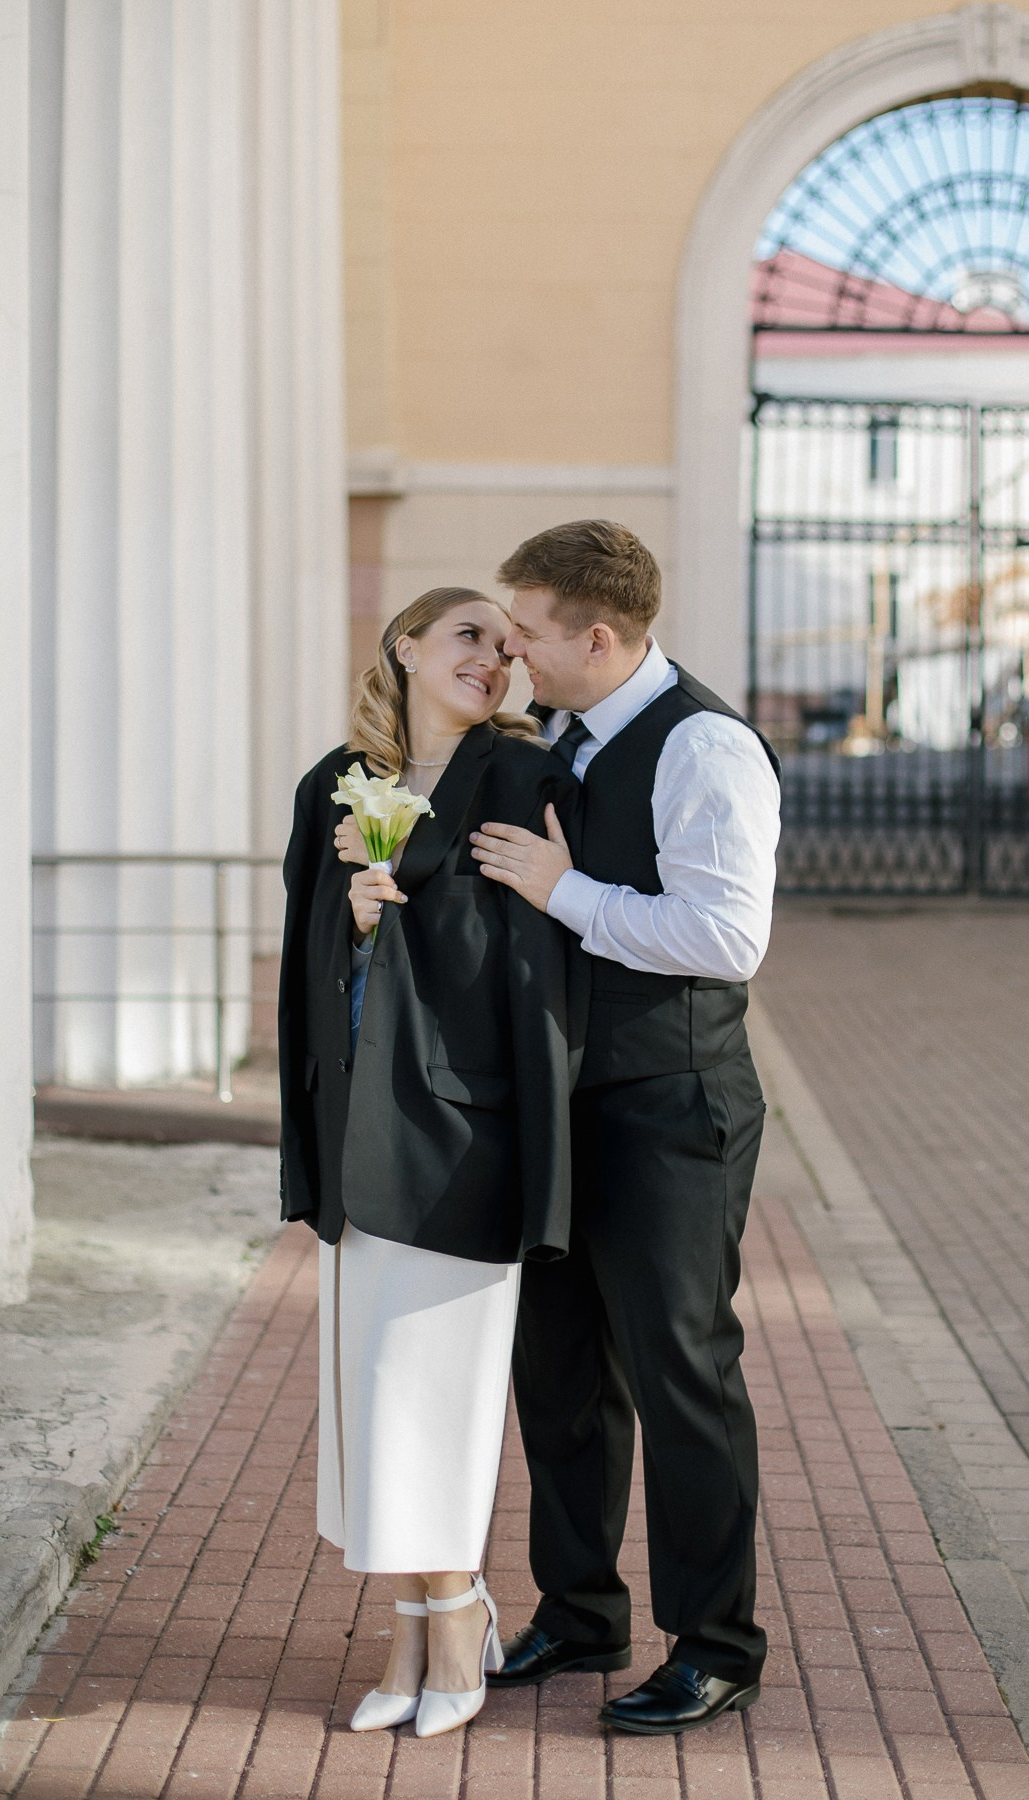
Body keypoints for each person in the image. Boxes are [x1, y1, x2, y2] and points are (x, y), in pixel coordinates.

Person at [470, 520, 781, 1737]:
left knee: (680, 1374)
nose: (515, 655)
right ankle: (582, 1612)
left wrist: (569, 894)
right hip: (562, 1106)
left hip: (671, 1107)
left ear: (598, 637)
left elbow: (725, 937)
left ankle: (716, 1645)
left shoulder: (706, 745)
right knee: (558, 1372)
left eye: (531, 635)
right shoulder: (552, 733)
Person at [278, 587, 576, 1738]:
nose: (494, 662)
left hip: (464, 1136)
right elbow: (306, 964)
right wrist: (353, 917)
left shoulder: (525, 778)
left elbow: (531, 969)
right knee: (374, 1393)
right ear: (407, 644)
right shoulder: (333, 785)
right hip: (360, 1132)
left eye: (507, 651)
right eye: (470, 638)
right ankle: (414, 1628)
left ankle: (452, 1615)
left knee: (438, 1391)